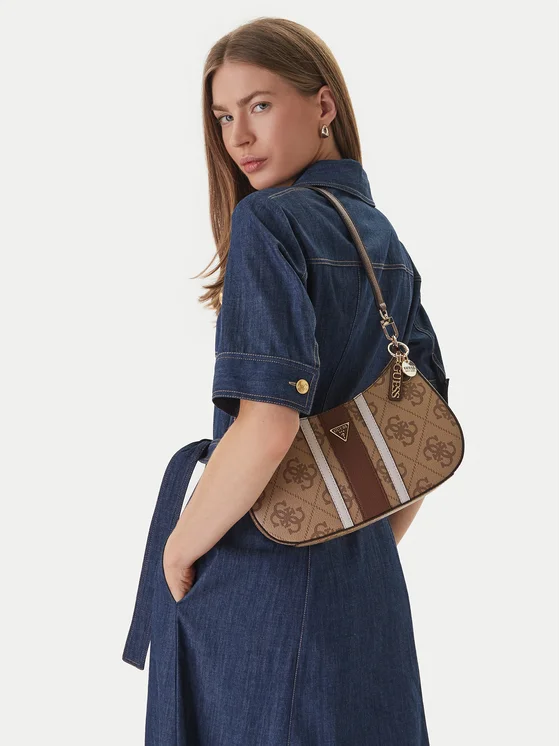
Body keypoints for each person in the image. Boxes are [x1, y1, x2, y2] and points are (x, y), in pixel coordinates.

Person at [122, 17, 450, 746]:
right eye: (223, 117)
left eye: (260, 105)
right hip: (365, 585)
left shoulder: (269, 222)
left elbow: (268, 424)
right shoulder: (383, 239)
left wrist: (179, 547)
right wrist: (356, 537)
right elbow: (424, 431)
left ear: (323, 106)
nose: (239, 137)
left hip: (262, 581)